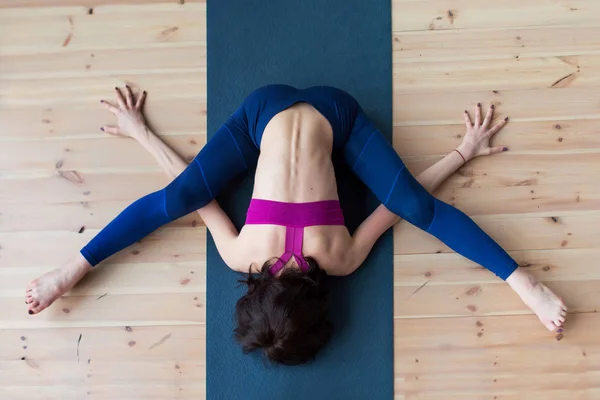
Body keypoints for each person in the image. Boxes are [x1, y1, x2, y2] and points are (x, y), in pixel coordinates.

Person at [25, 85, 567, 365]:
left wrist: (462, 153)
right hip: (263, 110)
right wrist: (140, 132)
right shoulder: (243, 257)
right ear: (255, 296)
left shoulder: (340, 260)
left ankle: (526, 286)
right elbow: (189, 192)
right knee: (180, 197)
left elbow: (408, 204)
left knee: (418, 211)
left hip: (335, 114)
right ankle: (68, 272)